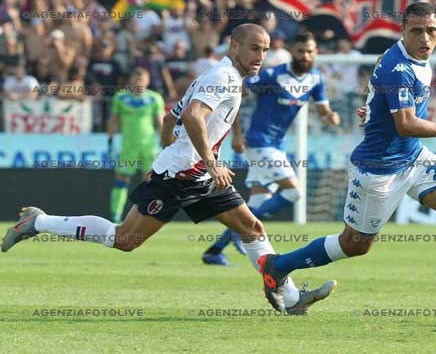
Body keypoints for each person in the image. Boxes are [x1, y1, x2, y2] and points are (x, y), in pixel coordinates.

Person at [1, 24, 335, 315]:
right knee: (125, 239)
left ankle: (288, 296)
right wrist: (209, 160)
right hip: (182, 176)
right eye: (253, 48)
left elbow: (172, 116)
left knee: (250, 226)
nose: (260, 55)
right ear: (233, 47)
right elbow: (192, 116)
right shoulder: (222, 76)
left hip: (198, 174)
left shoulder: (224, 76)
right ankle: (38, 221)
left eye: (263, 49)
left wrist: (172, 141)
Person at [256, 2, 436, 312]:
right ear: (403, 31)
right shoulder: (398, 68)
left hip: (414, 157)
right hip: (378, 168)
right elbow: (406, 125)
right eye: (416, 31)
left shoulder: (415, 58)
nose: (425, 38)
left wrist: (374, 108)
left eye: (431, 31)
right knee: (355, 245)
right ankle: (278, 265)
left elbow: (381, 95)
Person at [203, 31, 340, 266]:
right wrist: (236, 133)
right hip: (258, 143)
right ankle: (239, 232)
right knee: (294, 192)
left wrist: (331, 117)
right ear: (291, 51)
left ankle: (214, 251)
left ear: (316, 52)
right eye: (300, 51)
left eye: (310, 51)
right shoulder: (272, 76)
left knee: (257, 202)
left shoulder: (315, 78)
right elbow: (236, 91)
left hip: (277, 145)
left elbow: (323, 110)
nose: (305, 56)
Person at [107, 68, 165, 223]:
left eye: (142, 78)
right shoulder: (120, 97)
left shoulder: (155, 98)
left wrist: (165, 143)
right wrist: (111, 140)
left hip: (149, 146)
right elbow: (114, 120)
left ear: (148, 80)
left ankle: (149, 216)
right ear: (130, 80)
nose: (138, 80)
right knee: (121, 179)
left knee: (151, 181)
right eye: (135, 77)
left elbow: (161, 122)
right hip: (128, 146)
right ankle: (115, 216)